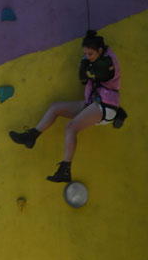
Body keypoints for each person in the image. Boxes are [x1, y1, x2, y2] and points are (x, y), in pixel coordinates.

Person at [9, 29, 126, 183]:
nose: (88, 57)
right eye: (86, 54)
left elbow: (88, 75)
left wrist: (85, 66)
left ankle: (65, 169)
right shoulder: (97, 59)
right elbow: (83, 79)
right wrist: (86, 64)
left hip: (106, 106)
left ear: (100, 50)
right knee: (55, 108)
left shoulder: (108, 62)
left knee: (71, 127)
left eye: (90, 54)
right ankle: (31, 136)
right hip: (94, 103)